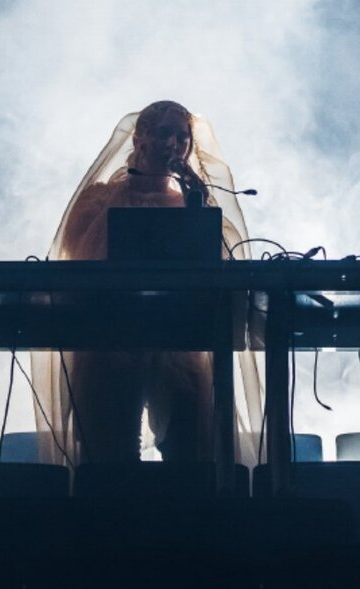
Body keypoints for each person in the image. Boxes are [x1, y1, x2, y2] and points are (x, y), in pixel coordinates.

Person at [30, 101, 263, 465]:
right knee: (110, 449)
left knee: (190, 446)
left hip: (179, 341)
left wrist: (196, 192)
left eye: (182, 137)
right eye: (162, 133)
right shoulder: (98, 199)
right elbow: (78, 257)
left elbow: (217, 263)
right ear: (139, 138)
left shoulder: (190, 202)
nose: (172, 143)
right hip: (109, 342)